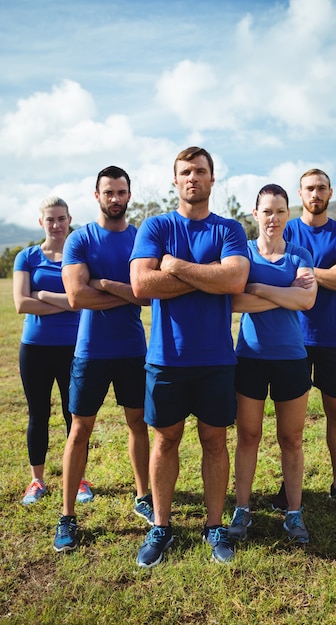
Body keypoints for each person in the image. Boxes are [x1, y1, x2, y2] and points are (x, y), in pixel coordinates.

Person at [130, 146, 250, 568]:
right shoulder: (156, 225)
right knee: (165, 440)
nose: (193, 178)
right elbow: (143, 285)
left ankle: (214, 525)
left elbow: (235, 278)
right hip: (166, 359)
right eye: (185, 172)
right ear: (175, 180)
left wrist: (178, 267)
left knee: (215, 442)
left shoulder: (229, 228)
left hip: (217, 359)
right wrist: (207, 276)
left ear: (212, 179)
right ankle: (161, 525)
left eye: (200, 171)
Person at [53, 166, 153, 553]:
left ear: (129, 195)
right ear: (97, 196)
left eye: (121, 192)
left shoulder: (140, 238)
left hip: (132, 350)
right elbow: (77, 298)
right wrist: (128, 291)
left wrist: (107, 284)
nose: (115, 198)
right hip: (90, 351)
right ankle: (67, 517)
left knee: (138, 426)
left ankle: (143, 496)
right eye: (108, 192)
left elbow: (148, 296)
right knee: (79, 431)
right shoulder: (80, 239)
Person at [272, 168, 336, 518]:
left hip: (331, 338)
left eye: (321, 188)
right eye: (310, 188)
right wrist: (333, 273)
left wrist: (309, 272)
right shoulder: (287, 229)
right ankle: (289, 486)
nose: (316, 194)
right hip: (291, 339)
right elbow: (281, 273)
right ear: (300, 194)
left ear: (330, 192)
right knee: (290, 421)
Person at [228, 184, 317, 544]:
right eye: (267, 211)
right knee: (248, 436)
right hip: (249, 356)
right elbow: (234, 301)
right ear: (255, 214)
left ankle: (294, 514)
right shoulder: (244, 253)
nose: (274, 218)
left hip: (292, 359)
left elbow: (307, 301)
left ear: (288, 215)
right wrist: (287, 296)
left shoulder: (299, 254)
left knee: (291, 438)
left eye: (280, 211)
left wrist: (260, 289)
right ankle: (242, 510)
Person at [13, 197, 92, 506]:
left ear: (69, 219)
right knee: (38, 414)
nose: (56, 225)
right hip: (34, 349)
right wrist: (66, 302)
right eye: (50, 220)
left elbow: (81, 301)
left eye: (61, 218)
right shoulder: (27, 257)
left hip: (74, 348)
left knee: (74, 416)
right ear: (41, 222)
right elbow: (21, 303)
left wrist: (42, 294)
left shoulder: (78, 256)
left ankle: (80, 479)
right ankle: (37, 480)